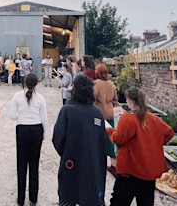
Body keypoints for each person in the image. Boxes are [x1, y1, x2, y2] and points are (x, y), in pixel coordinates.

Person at [106, 87, 174, 206]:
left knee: (119, 201)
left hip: (130, 168)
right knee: (146, 201)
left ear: (131, 101)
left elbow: (118, 139)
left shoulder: (128, 119)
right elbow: (169, 133)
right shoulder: (152, 118)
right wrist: (154, 142)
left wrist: (109, 130)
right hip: (148, 170)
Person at [52, 75, 107, 206]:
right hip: (92, 165)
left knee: (68, 196)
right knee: (90, 196)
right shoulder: (97, 113)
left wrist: (67, 152)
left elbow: (57, 138)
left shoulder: (67, 110)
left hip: (71, 162)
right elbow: (101, 141)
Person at [9, 73, 48, 206]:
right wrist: (45, 132)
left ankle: (20, 198)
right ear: (36, 83)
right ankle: (33, 197)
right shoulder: (40, 98)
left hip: (22, 129)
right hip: (36, 129)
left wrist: (23, 113)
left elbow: (12, 116)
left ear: (24, 82)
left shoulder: (17, 96)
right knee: (34, 164)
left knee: (21, 164)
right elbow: (44, 118)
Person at [93, 64, 119, 175]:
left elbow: (92, 98)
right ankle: (114, 165)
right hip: (110, 112)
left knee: (98, 138)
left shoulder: (96, 84)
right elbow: (115, 99)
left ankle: (98, 163)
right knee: (110, 139)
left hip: (99, 114)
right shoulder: (111, 84)